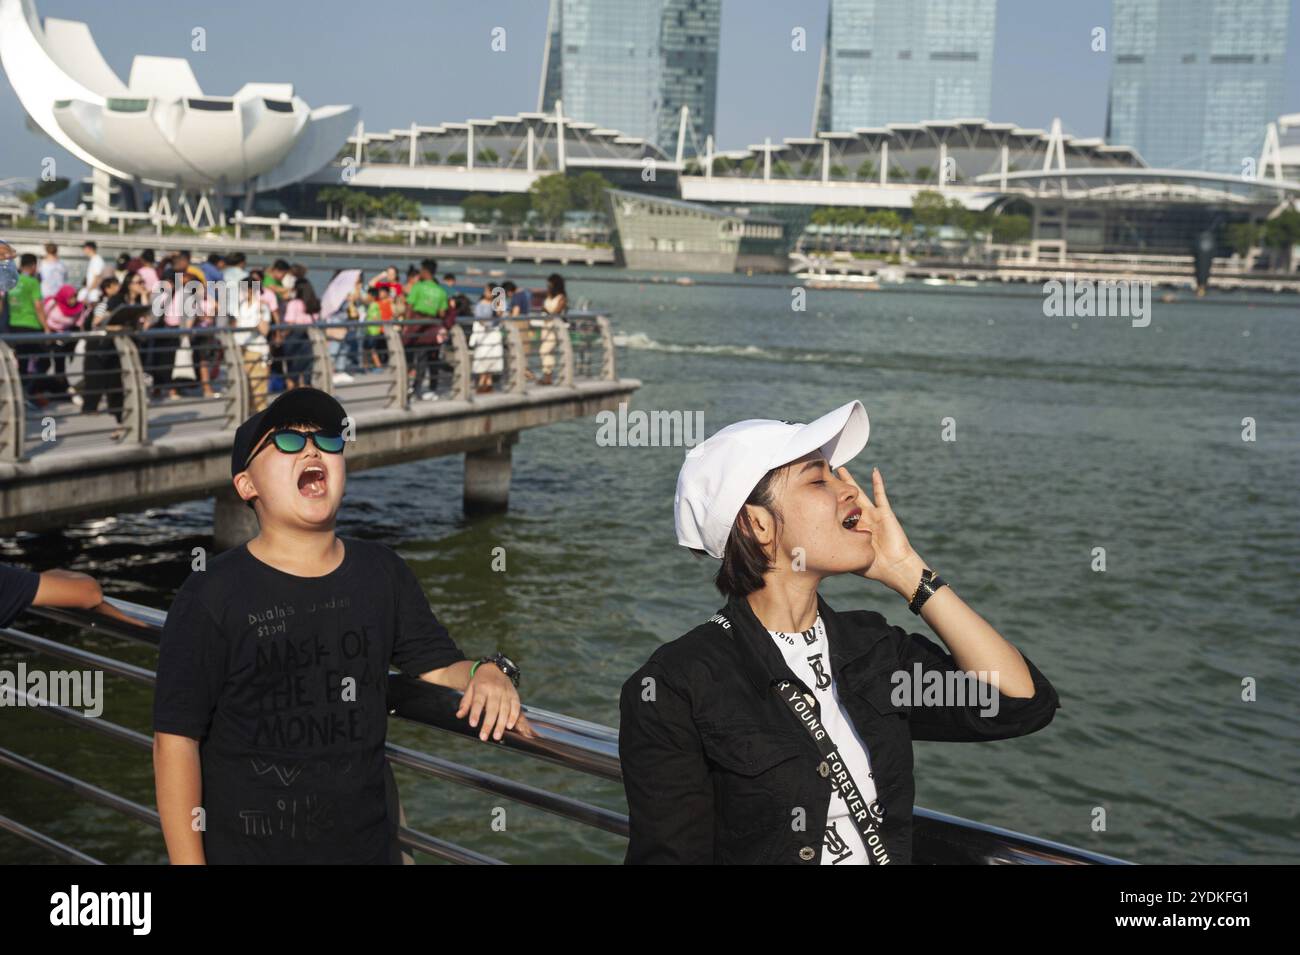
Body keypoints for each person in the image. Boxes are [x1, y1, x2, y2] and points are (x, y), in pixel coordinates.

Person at [618, 400, 1061, 865]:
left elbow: (1018, 704)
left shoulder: (871, 648)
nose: (848, 490)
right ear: (758, 524)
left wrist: (908, 572)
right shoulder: (676, 685)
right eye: (818, 478)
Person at [152, 387, 532, 864]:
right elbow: (175, 742)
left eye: (328, 440)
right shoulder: (209, 593)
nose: (313, 449)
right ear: (247, 485)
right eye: (288, 441)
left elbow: (438, 666)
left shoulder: (382, 572)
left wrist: (487, 672)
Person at [403, 258, 450, 401]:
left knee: (408, 357)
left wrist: (406, 325)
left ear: (425, 271)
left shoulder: (418, 286)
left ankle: (405, 387)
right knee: (423, 359)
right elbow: (442, 313)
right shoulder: (441, 291)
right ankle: (417, 389)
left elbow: (409, 306)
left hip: (415, 325)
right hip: (431, 327)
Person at [233, 269, 272, 411]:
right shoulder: (242, 305)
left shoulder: (262, 306)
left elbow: (265, 330)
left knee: (258, 388)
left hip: (256, 350)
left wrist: (259, 318)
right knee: (245, 388)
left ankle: (261, 420)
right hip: (241, 349)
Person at [280, 277, 320, 389]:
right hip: (308, 340)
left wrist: (282, 335)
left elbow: (290, 324)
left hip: (294, 339)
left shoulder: (293, 303)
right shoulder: (314, 304)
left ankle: (292, 401)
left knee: (292, 375)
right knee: (306, 373)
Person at [468, 288, 503, 393]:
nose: (485, 293)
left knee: (491, 357)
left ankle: (488, 383)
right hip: (483, 334)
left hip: (493, 334)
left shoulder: (497, 303)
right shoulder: (480, 304)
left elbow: (500, 315)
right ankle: (483, 383)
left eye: (488, 291)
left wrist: (498, 301)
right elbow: (479, 319)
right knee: (483, 356)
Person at [536, 273, 567, 385]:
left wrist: (546, 310)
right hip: (545, 326)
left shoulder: (562, 297)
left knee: (544, 350)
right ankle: (547, 377)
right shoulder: (549, 295)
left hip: (554, 328)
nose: (548, 285)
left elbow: (556, 312)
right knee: (548, 352)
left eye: (550, 283)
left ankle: (548, 376)